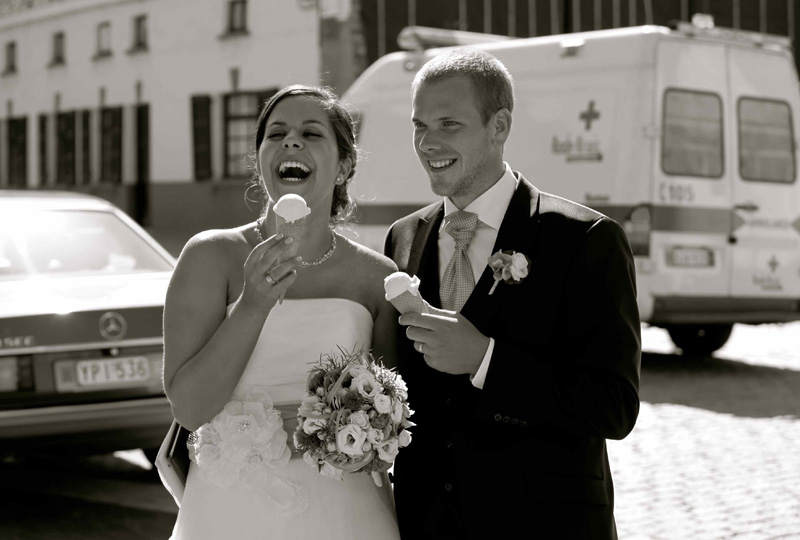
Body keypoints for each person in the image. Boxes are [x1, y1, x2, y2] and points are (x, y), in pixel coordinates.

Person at [384, 48, 641, 539]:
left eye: (448, 124)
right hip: (427, 524)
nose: (427, 142)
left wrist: (485, 360)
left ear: (499, 126)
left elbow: (614, 405)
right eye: (419, 125)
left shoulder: (585, 239)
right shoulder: (403, 237)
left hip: (544, 524)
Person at [164, 85, 400, 540]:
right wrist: (253, 304)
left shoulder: (375, 276)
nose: (291, 141)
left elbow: (392, 414)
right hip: (231, 512)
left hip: (348, 511)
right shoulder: (210, 256)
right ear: (260, 161)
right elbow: (190, 409)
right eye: (276, 134)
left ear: (344, 165)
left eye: (311, 133)